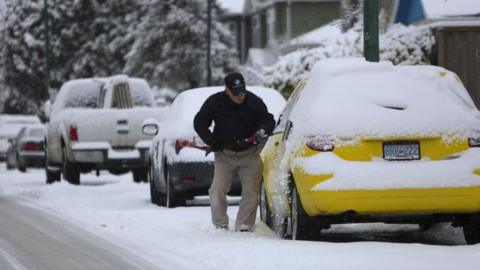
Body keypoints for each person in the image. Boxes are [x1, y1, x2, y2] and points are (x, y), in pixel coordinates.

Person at [193, 72, 275, 232]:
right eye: (235, 93)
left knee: (251, 192)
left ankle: (244, 225)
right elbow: (200, 122)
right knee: (217, 189)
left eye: (242, 91)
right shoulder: (215, 102)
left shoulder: (253, 101)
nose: (240, 96)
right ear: (227, 90)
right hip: (225, 154)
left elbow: (268, 119)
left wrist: (262, 130)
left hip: (250, 153)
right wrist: (211, 140)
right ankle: (220, 224)